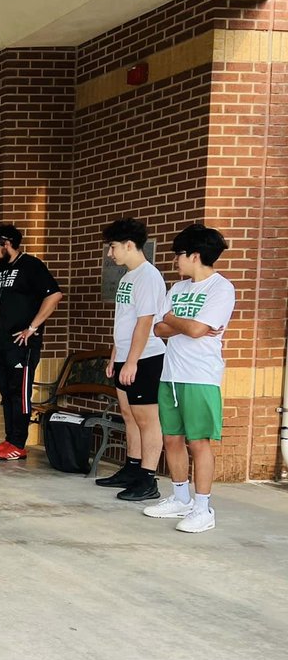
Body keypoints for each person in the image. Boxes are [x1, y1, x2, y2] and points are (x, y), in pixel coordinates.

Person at [143, 224, 235, 534]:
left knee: (198, 442)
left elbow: (195, 331)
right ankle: (181, 498)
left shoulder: (221, 289)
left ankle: (202, 507)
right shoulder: (178, 289)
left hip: (201, 377)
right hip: (170, 375)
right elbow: (160, 329)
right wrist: (180, 322)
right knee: (172, 439)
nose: (175, 261)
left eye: (179, 255)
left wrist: (174, 320)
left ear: (195, 255)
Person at [98, 218, 166, 501]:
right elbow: (123, 321)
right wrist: (116, 356)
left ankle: (148, 480)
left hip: (146, 357)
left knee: (146, 420)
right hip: (127, 356)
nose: (110, 254)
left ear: (129, 245)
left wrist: (133, 361)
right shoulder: (128, 277)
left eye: (113, 247)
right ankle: (132, 467)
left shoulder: (149, 277)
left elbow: (145, 322)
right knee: (128, 415)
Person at [0, 224, 63, 461]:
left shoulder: (31, 266)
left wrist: (32, 327)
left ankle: (19, 443)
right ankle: (9, 440)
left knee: (19, 394)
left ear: (6, 244)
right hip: (0, 344)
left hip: (21, 346)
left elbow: (54, 295)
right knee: (6, 393)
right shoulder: (1, 270)